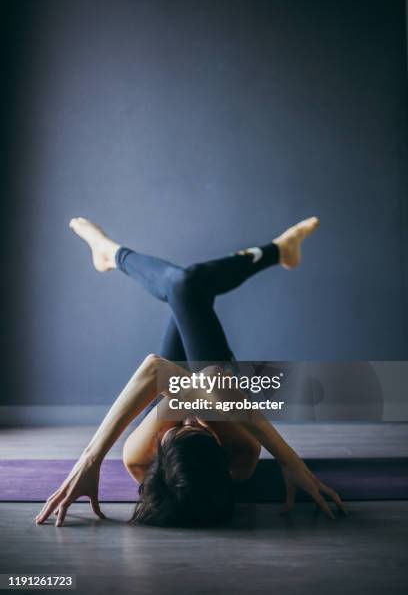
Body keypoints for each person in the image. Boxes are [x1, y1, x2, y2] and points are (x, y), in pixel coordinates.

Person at [35, 216, 347, 527]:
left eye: (180, 427)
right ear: (222, 456)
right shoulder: (241, 456)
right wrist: (288, 458)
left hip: (174, 402)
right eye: (201, 427)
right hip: (222, 395)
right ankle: (278, 251)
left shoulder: (138, 456)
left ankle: (111, 253)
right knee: (188, 285)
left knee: (185, 286)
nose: (192, 413)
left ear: (160, 444)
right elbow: (212, 379)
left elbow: (156, 368)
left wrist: (90, 459)